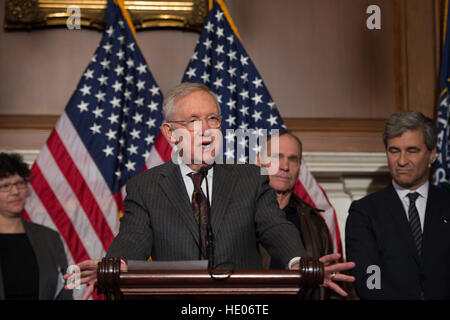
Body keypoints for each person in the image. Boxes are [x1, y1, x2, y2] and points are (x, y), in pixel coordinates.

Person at [65, 82, 355, 298]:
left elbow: (276, 229)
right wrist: (115, 265)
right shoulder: (146, 186)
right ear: (169, 133)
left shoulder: (250, 178)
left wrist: (300, 262)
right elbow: (133, 238)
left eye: (213, 119)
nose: (206, 130)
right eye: (193, 121)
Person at [345, 111, 450, 300]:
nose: (402, 161)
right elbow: (369, 277)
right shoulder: (365, 212)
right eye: (394, 151)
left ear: (432, 154)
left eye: (412, 151)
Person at [257, 131, 339, 300]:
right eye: (276, 157)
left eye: (292, 159)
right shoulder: (235, 214)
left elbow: (329, 289)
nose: (285, 166)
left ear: (299, 167)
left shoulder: (315, 222)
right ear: (259, 161)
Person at [0, 153, 72, 300]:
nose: (15, 192)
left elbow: (67, 286)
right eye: (6, 186)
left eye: (20, 183)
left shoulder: (49, 238)